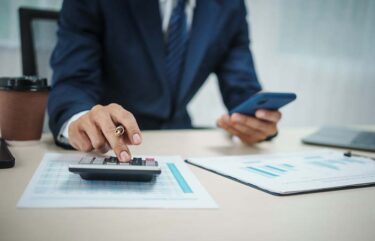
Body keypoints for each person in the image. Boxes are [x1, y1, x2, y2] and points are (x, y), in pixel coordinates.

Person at [48, 0, 281, 162]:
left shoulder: (230, 5)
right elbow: (73, 81)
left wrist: (258, 121)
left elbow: (242, 89)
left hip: (182, 147)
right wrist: (79, 120)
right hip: (109, 148)